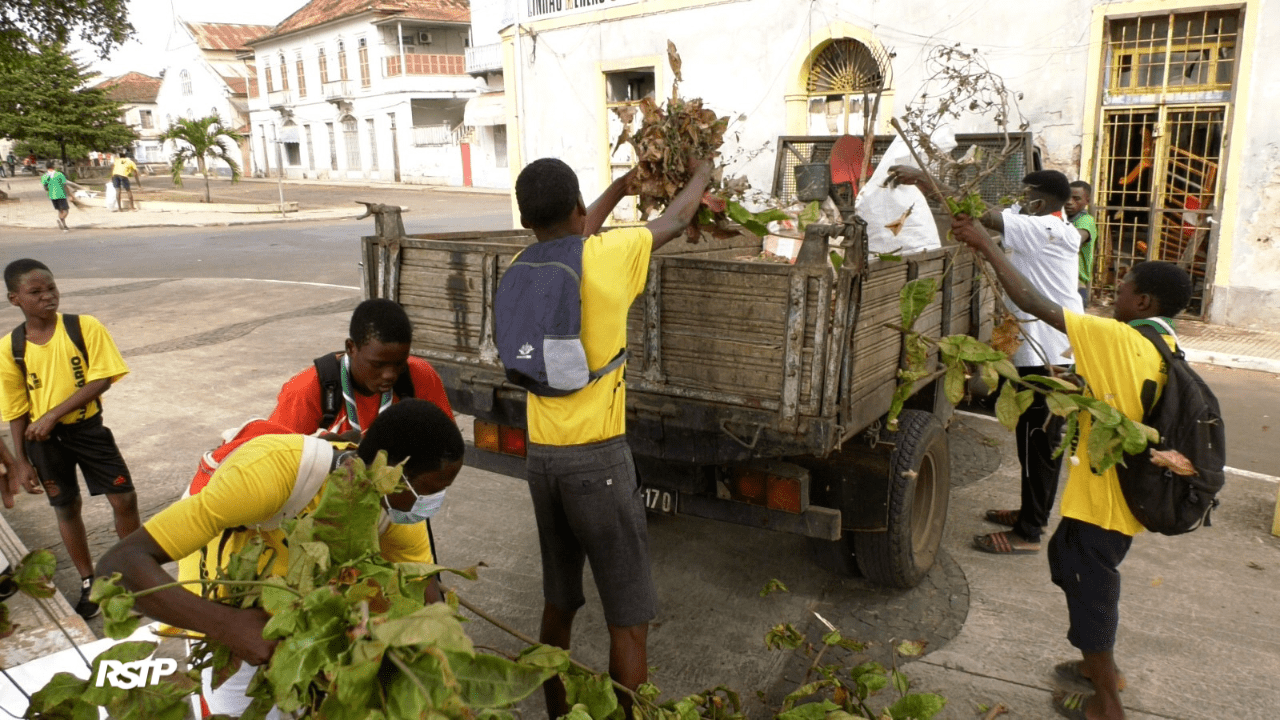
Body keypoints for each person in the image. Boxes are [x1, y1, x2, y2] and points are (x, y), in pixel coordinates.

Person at [953, 214, 1192, 720]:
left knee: (1089, 587)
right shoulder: (1160, 341)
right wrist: (1077, 389)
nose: (1115, 292)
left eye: (1123, 287)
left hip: (1111, 500)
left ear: (1143, 301)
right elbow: (1131, 396)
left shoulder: (1120, 337)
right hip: (1117, 494)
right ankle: (1095, 668)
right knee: (1066, 557)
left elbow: (1033, 303)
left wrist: (983, 243)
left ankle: (1107, 701)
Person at [97, 399, 463, 717]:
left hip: (302, 617)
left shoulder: (396, 511)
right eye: (431, 490)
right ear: (391, 475)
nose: (431, 504)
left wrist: (442, 682)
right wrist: (227, 625)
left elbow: (423, 591)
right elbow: (121, 563)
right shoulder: (271, 472)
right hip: (228, 606)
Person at [513, 157, 712, 718]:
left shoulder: (521, 265)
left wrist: (619, 188)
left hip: (541, 461)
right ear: (578, 209)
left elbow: (574, 236)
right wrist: (701, 174)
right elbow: (673, 221)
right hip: (597, 463)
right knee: (628, 618)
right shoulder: (611, 256)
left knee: (559, 602)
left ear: (527, 219)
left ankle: (557, 712)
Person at [889, 167, 1083, 554]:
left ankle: (1029, 533)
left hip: (1048, 356)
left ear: (1041, 201)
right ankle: (1031, 511)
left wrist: (926, 180)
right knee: (1032, 443)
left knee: (1041, 445)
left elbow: (979, 213)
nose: (1019, 199)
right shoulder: (1036, 224)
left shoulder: (1048, 229)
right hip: (1033, 351)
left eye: (1026, 194)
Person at [0, 259, 140, 618]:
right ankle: (89, 580)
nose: (48, 297)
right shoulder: (10, 347)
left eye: (52, 288)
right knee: (65, 507)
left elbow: (103, 378)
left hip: (88, 430)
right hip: (43, 443)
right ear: (15, 298)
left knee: (123, 498)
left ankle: (138, 574)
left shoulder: (83, 327)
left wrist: (52, 414)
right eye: (36, 292)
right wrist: (22, 461)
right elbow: (16, 407)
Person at [268, 298, 453, 439]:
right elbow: (273, 461)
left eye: (399, 363)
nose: (390, 375)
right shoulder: (307, 390)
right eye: (377, 365)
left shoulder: (420, 375)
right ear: (351, 348)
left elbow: (447, 446)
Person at [1066, 181, 1098, 308]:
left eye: (1076, 198)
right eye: (1067, 197)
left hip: (1075, 285)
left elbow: (1074, 241)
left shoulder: (1086, 220)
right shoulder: (1062, 219)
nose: (1069, 201)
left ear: (1087, 201)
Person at [41, 161, 72, 232]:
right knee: (66, 211)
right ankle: (61, 220)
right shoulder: (59, 174)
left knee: (59, 210)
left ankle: (64, 226)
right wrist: (70, 195)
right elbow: (65, 185)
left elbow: (45, 188)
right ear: (54, 167)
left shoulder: (44, 176)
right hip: (61, 194)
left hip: (52, 195)